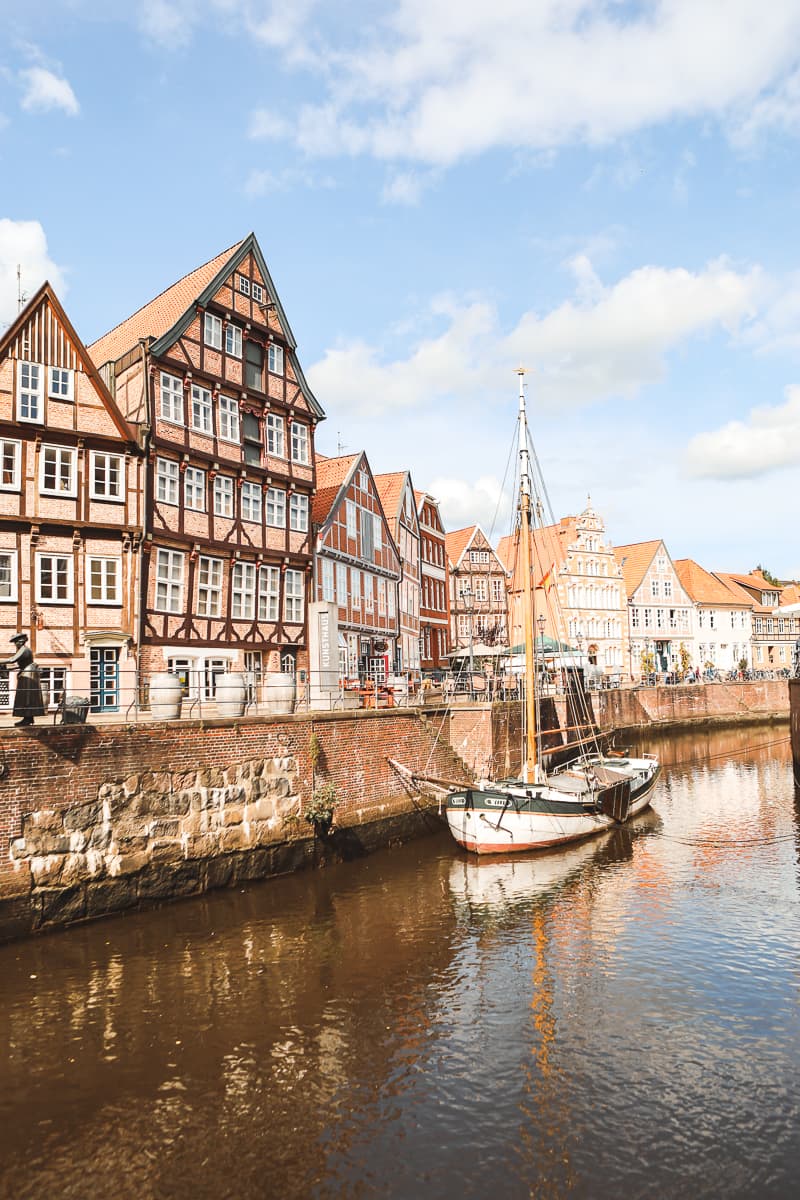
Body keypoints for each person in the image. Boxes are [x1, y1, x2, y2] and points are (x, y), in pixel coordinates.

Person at [3, 633, 45, 726]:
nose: (15, 644)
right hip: (26, 671)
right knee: (25, 695)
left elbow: (12, 659)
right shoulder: (22, 650)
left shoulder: (24, 649)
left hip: (28, 673)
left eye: (16, 642)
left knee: (27, 695)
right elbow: (20, 664)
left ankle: (28, 718)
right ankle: (28, 718)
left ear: (21, 641)